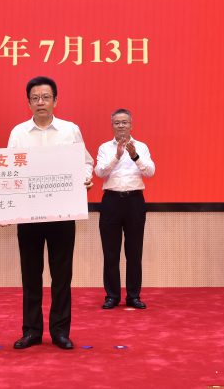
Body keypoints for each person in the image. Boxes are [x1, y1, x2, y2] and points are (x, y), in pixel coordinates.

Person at [7, 76, 94, 351]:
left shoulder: (70, 130)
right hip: (29, 215)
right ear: (28, 102)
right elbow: (9, 170)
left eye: (46, 97)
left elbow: (86, 162)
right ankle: (31, 331)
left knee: (61, 275)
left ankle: (60, 331)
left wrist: (85, 178)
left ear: (55, 100)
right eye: (35, 98)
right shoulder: (19, 133)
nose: (40, 102)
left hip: (62, 213)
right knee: (30, 275)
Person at [95, 108, 155, 310]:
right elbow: (99, 172)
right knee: (110, 253)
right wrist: (117, 156)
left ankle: (133, 296)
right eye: (117, 123)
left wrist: (135, 156)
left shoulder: (142, 147)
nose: (121, 126)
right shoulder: (105, 148)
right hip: (111, 202)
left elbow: (150, 172)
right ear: (112, 126)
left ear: (131, 125)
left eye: (124, 122)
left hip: (134, 202)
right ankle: (112, 296)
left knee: (134, 252)